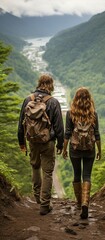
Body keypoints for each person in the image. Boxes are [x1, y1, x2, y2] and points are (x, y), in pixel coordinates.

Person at [18, 74, 64, 215]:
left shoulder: (28, 100)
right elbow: (59, 127)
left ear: (38, 83)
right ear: (51, 85)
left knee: (35, 167)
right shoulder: (53, 102)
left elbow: (21, 125)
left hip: (32, 141)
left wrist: (22, 143)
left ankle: (37, 197)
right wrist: (60, 144)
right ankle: (45, 205)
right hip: (47, 141)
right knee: (48, 172)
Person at [63, 87, 101, 219]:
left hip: (75, 149)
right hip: (90, 149)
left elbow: (67, 133)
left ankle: (79, 203)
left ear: (76, 99)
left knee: (76, 175)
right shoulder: (93, 114)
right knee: (87, 176)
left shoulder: (70, 114)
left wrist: (64, 149)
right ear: (89, 99)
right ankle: (85, 203)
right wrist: (99, 151)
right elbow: (97, 135)